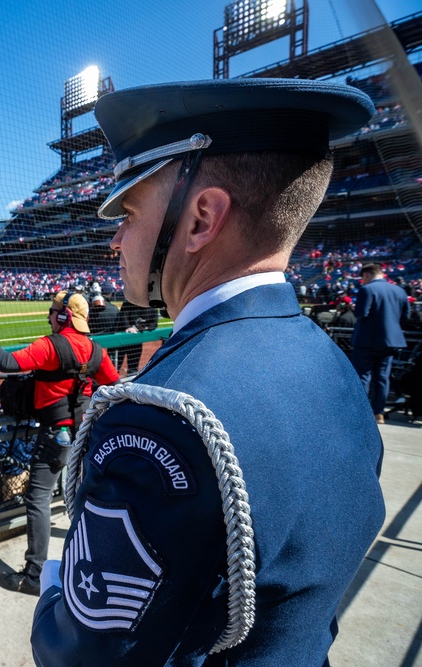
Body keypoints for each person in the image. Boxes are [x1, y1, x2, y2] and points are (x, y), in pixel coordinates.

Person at [31, 79, 386, 664]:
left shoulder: (160, 423)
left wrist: (52, 595)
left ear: (200, 220)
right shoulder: (334, 365)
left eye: (129, 210)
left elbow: (85, 655)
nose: (116, 238)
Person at [0, 291, 119, 595]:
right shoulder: (95, 350)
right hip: (84, 434)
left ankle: (34, 574)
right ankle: (88, 558)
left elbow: (9, 362)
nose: (49, 317)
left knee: (37, 498)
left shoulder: (52, 346)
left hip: (55, 434)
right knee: (83, 494)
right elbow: (114, 385)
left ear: (64, 316)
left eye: (53, 312)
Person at [351, 263, 410, 423]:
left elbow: (361, 313)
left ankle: (361, 412)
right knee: (382, 378)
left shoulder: (367, 289)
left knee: (363, 376)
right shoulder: (399, 290)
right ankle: (378, 413)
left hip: (367, 341)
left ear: (367, 275)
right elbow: (406, 317)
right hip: (391, 341)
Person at [111, 301, 160, 375]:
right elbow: (123, 317)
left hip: (136, 341)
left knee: (133, 367)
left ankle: (131, 382)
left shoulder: (151, 305)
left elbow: (154, 324)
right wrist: (128, 327)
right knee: (115, 366)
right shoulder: (128, 303)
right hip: (122, 339)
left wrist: (145, 327)